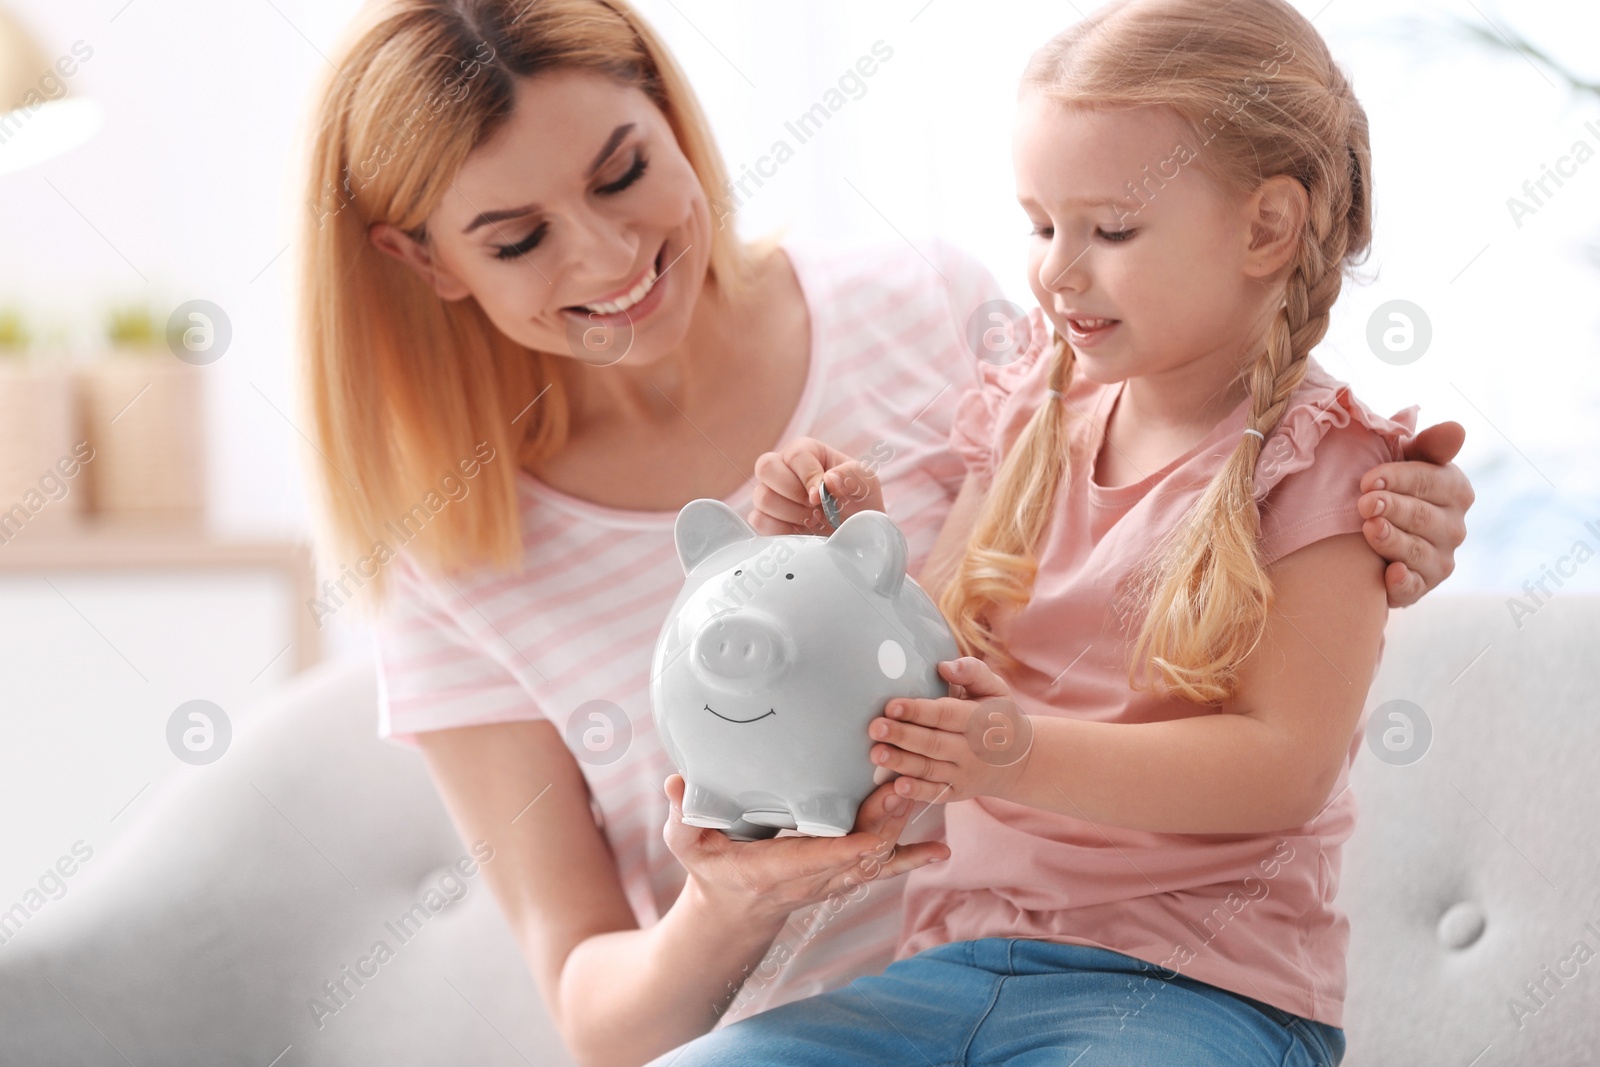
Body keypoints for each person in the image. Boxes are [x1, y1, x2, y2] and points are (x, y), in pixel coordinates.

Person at [293, 2, 1473, 1065]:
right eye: (515, 239)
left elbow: (1197, 450)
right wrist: (729, 896)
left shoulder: (946, 318)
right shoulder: (445, 560)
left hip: (1167, 981)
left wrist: (1377, 520)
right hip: (909, 979)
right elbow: (598, 1011)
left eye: (622, 173)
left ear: (668, 111)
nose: (605, 257)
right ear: (421, 259)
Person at [665, 0, 1434, 1064]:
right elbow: (927, 670)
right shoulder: (1034, 405)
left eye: (1110, 229)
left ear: (1266, 227)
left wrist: (1017, 752)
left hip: (1199, 986)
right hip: (949, 965)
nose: (1056, 271)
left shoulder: (1323, 459)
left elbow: (1282, 766)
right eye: (1040, 223)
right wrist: (839, 562)